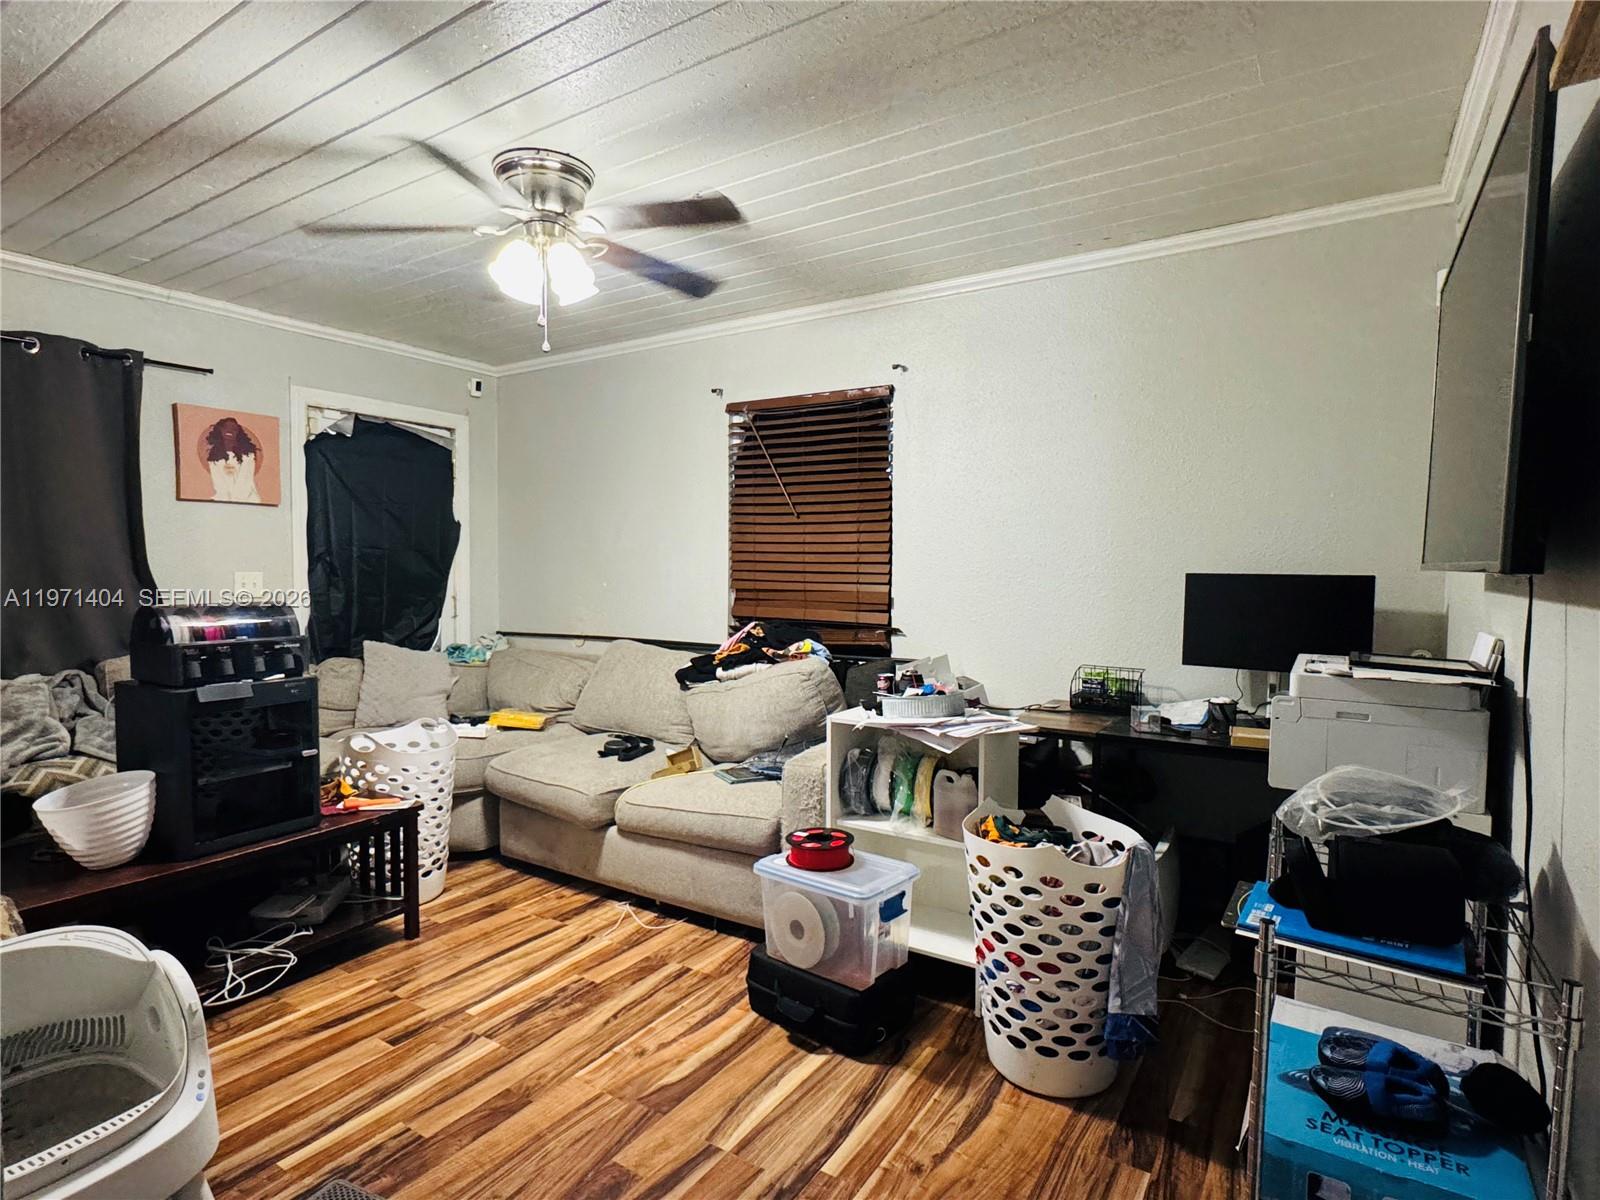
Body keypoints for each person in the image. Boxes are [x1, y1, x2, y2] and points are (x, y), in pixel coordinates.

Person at [203, 417, 261, 503]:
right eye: (225, 427)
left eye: (234, 429)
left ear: (238, 432)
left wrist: (234, 501)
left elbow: (245, 480)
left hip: (248, 500)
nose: (229, 430)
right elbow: (219, 484)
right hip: (224, 501)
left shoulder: (248, 455)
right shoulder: (214, 456)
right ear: (220, 430)